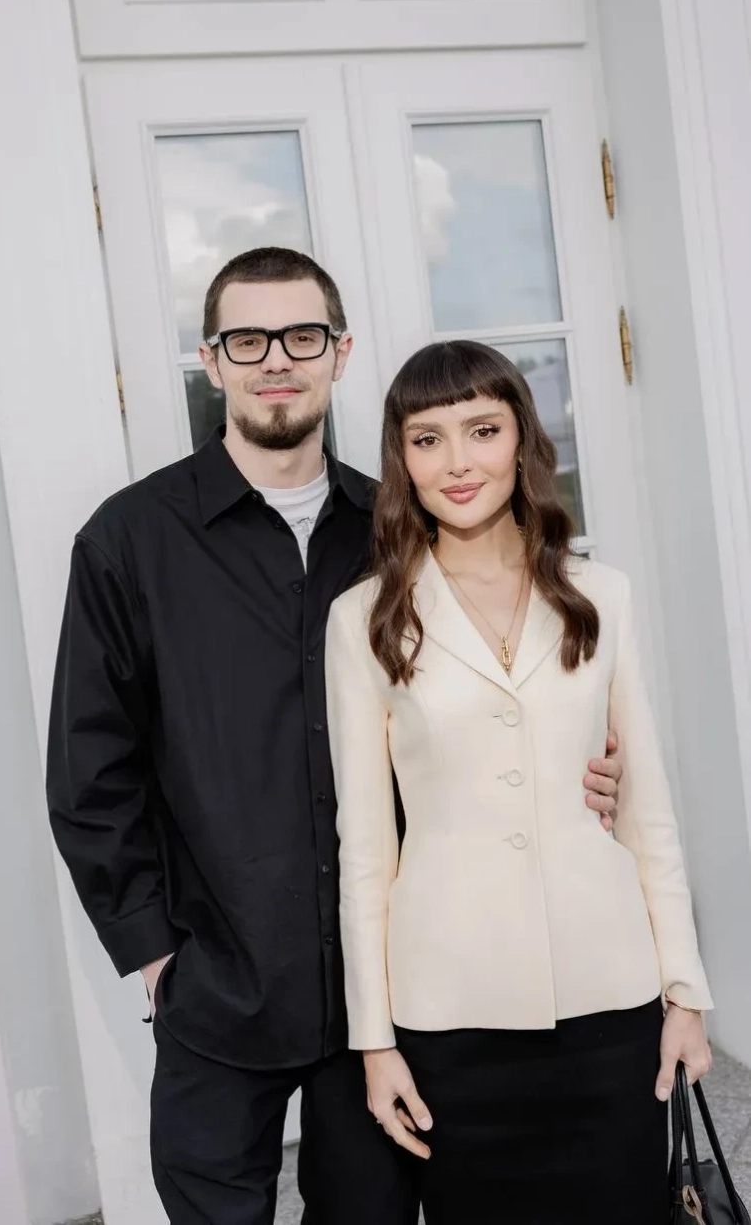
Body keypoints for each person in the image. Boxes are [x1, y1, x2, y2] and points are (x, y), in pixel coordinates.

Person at [46, 250, 623, 1225]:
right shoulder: (128, 542)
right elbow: (89, 771)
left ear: (339, 353)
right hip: (219, 981)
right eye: (248, 339)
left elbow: (492, 694)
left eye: (302, 336)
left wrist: (586, 769)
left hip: (383, 989)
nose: (277, 358)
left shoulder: (403, 533)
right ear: (211, 359)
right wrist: (155, 958)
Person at [324, 338, 713, 1225]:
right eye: (428, 439)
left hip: (610, 993)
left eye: (483, 430)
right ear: (401, 460)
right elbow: (366, 853)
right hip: (451, 1010)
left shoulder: (601, 593)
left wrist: (685, 990)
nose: (458, 462)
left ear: (522, 439)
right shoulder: (364, 618)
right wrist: (375, 1041)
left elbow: (647, 811)